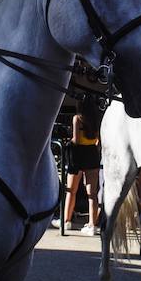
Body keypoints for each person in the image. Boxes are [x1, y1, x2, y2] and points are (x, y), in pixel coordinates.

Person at [53, 95, 103, 235]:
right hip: (92, 154)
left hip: (78, 155)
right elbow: (97, 140)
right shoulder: (95, 120)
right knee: (92, 193)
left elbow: (75, 139)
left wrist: (68, 143)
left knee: (71, 190)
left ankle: (66, 220)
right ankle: (92, 225)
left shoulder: (77, 119)